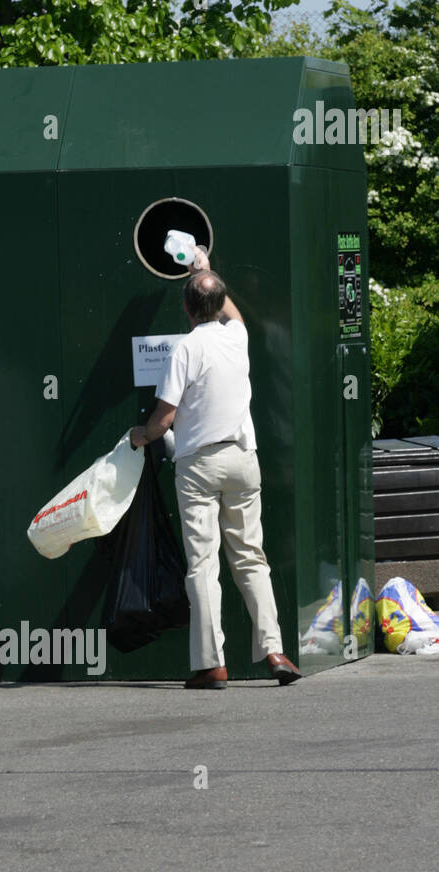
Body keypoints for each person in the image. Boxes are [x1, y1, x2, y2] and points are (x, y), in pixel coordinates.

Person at [129, 269, 301, 690]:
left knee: (203, 565)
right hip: (243, 458)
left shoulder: (186, 349)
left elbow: (163, 419)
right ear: (219, 301)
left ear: (186, 308)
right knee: (250, 557)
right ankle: (275, 651)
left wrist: (140, 436)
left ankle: (212, 665)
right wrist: (205, 269)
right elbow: (234, 313)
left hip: (199, 465)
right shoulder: (236, 337)